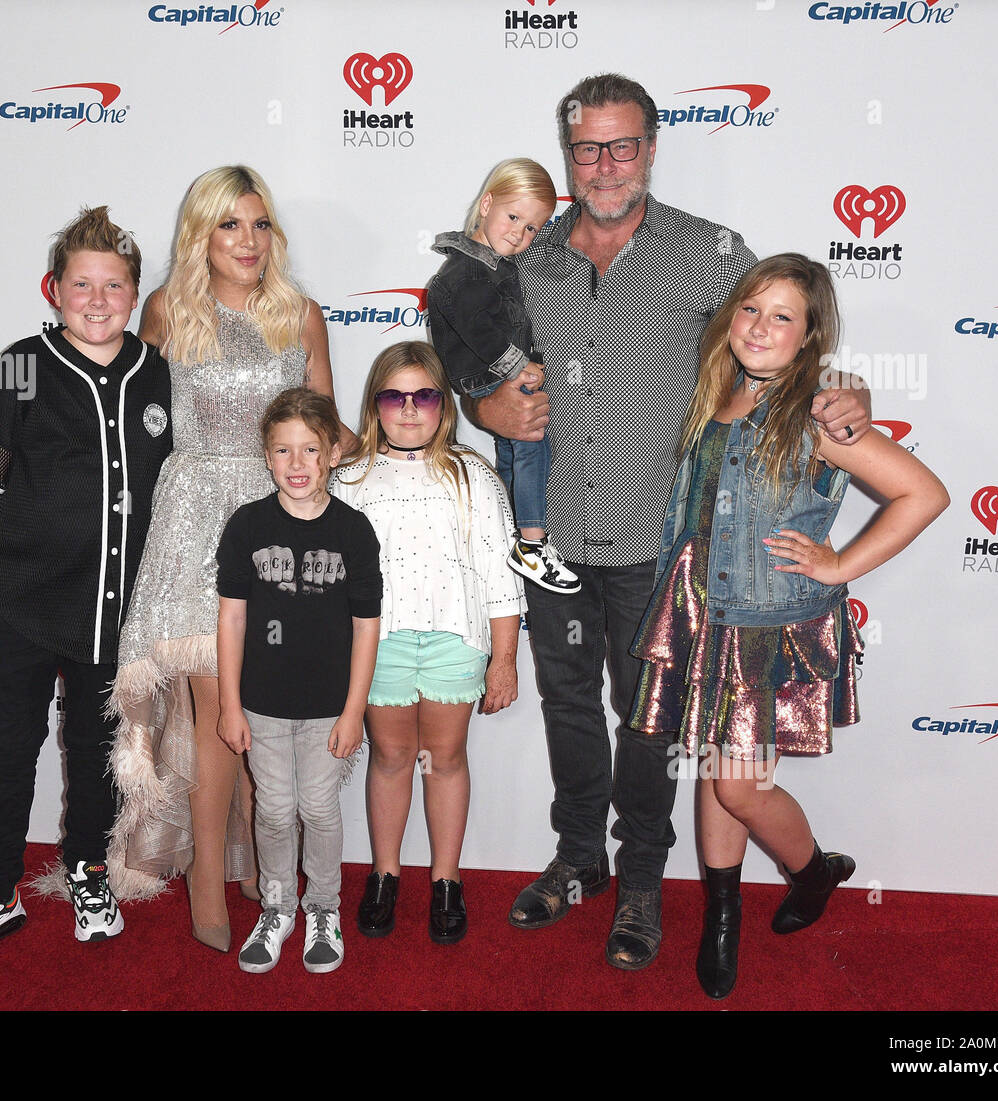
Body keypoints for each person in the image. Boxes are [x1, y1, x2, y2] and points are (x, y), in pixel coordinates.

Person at [471, 73, 873, 970]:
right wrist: (485, 405)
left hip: (664, 542)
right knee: (569, 706)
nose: (605, 165)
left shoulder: (710, 251)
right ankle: (579, 859)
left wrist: (849, 392)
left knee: (646, 722)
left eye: (623, 146)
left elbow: (788, 331)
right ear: (567, 153)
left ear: (652, 148)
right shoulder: (527, 256)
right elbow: (467, 349)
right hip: (551, 541)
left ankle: (642, 881)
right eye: (587, 149)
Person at [629, 254, 949, 997]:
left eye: (783, 317)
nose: (761, 327)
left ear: (810, 338)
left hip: (765, 624)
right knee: (716, 768)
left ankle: (813, 872)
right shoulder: (716, 392)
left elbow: (922, 493)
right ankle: (722, 916)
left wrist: (838, 565)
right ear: (730, 316)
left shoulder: (818, 411)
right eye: (751, 309)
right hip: (700, 611)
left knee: (737, 786)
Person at [0, 206, 171, 972]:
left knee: (96, 746)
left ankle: (88, 868)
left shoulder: (156, 371)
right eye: (82, 284)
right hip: (24, 600)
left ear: (135, 293)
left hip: (114, 609)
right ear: (54, 288)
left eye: (115, 285)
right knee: (8, 748)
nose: (98, 300)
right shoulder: (21, 366)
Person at [106, 166, 349, 952]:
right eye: (229, 225)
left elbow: (327, 430)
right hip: (192, 528)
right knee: (217, 717)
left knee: (269, 709)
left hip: (278, 527)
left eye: (259, 223)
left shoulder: (301, 315)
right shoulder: (167, 313)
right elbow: (133, 431)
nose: (248, 241)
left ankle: (259, 865)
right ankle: (207, 881)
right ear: (200, 236)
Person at [332, 342, 524, 944]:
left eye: (424, 396)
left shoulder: (474, 475)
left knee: (446, 759)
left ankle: (446, 880)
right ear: (374, 405)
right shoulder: (350, 479)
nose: (409, 410)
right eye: (394, 396)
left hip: (455, 641)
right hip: (378, 646)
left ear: (444, 404)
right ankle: (384, 875)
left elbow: (502, 573)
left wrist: (506, 661)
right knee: (389, 759)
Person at [215, 388, 382, 974]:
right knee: (274, 810)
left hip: (330, 707)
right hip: (261, 705)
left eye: (310, 449)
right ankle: (278, 907)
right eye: (283, 450)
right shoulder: (246, 525)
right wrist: (230, 704)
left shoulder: (356, 531)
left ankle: (324, 908)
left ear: (333, 453)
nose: (297, 464)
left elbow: (367, 627)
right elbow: (231, 617)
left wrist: (354, 709)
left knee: (318, 806)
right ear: (266, 456)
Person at [427, 157, 578, 593]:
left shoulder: (494, 261)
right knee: (532, 443)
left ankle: (512, 530)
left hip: (493, 372)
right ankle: (532, 543)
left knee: (514, 451)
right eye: (514, 218)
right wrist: (520, 367)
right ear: (486, 203)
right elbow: (479, 329)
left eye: (531, 228)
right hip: (487, 374)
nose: (520, 234)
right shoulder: (464, 271)